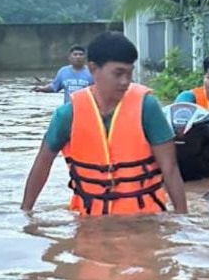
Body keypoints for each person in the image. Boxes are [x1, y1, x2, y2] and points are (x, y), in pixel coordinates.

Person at [21, 32, 188, 216]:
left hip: (145, 218)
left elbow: (170, 168)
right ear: (93, 68)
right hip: (91, 219)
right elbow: (43, 163)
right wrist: (26, 213)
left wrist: (182, 219)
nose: (125, 81)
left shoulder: (147, 107)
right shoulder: (68, 114)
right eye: (118, 73)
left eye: (129, 73)